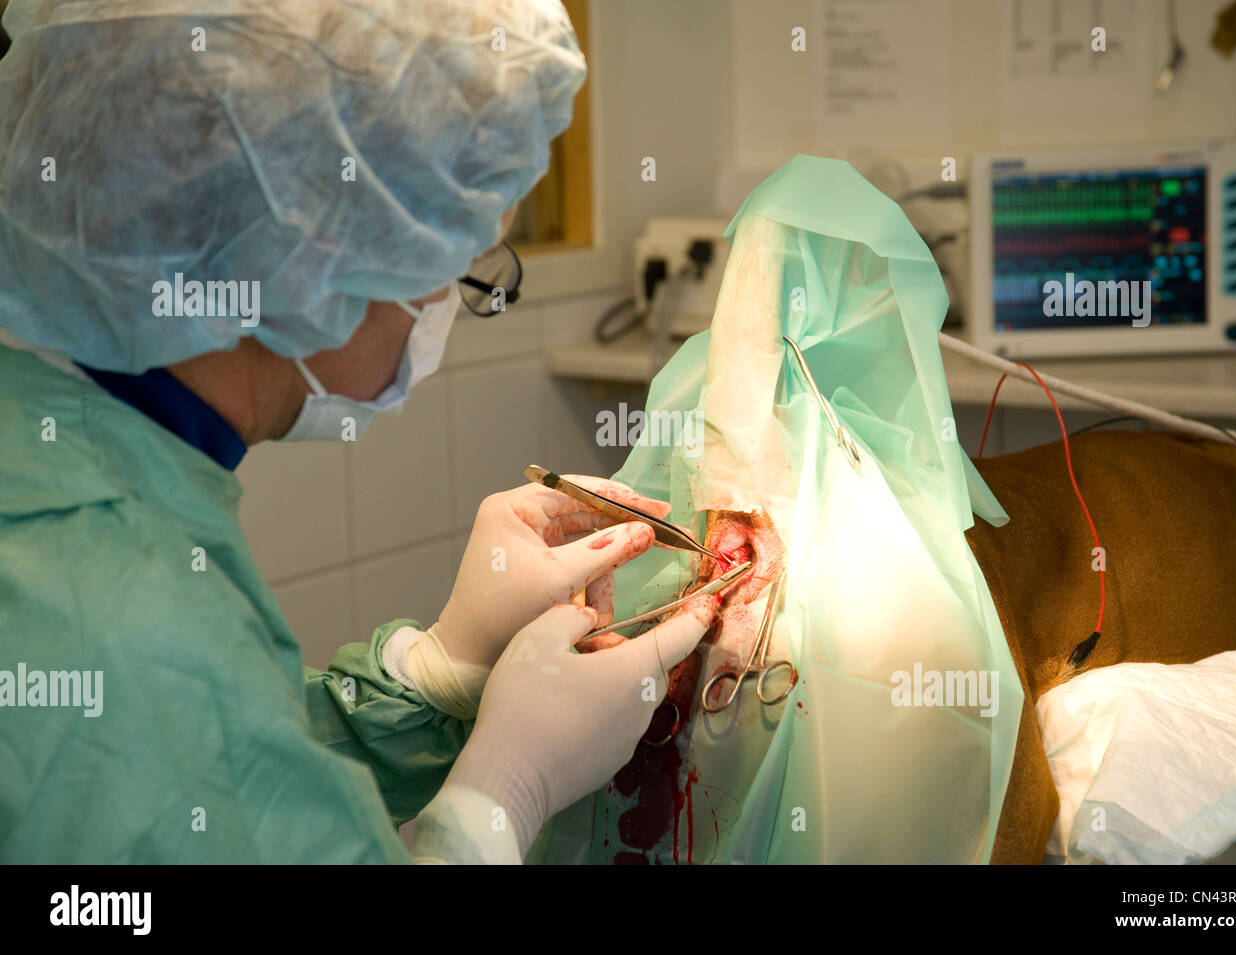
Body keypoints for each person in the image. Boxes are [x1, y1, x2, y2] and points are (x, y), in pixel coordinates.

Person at [0, 0, 717, 863]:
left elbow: (222, 777)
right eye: (447, 262)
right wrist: (498, 798)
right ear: (314, 252)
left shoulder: (57, 448)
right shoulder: (118, 618)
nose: (440, 309)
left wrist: (437, 671)